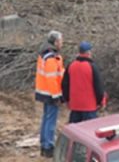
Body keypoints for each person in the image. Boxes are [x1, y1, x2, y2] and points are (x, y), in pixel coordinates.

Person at [34, 30, 64, 158]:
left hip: (44, 92)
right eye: (61, 40)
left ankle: (44, 144)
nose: (62, 43)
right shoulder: (52, 58)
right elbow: (52, 78)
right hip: (50, 93)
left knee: (46, 119)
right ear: (56, 42)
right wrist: (57, 96)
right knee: (51, 121)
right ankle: (48, 147)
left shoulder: (44, 54)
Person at [61, 41, 106, 123]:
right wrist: (101, 102)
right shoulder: (92, 67)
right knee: (89, 132)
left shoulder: (71, 66)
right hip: (89, 107)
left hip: (75, 106)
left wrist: (67, 100)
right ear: (89, 52)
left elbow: (65, 85)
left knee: (74, 133)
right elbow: (98, 87)